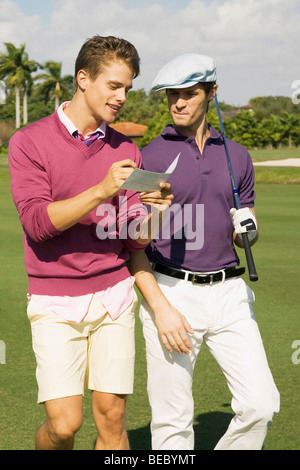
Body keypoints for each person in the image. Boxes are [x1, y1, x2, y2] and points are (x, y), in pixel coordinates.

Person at [8, 35, 172, 450]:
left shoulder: (128, 150)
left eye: (127, 89)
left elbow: (136, 241)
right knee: (64, 426)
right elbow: (37, 224)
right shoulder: (28, 142)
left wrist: (155, 210)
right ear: (83, 79)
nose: (121, 98)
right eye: (113, 86)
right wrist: (101, 190)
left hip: (114, 294)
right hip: (54, 299)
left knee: (112, 422)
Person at [128, 53, 280, 450]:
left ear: (212, 92)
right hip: (171, 292)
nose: (178, 102)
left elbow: (242, 232)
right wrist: (160, 307)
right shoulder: (149, 157)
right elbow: (133, 244)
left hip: (230, 293)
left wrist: (250, 229)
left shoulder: (239, 156)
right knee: (173, 422)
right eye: (171, 95)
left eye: (189, 94)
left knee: (260, 405)